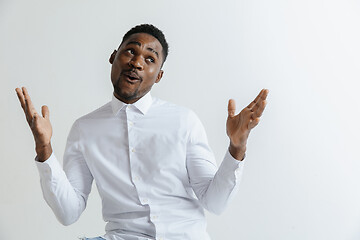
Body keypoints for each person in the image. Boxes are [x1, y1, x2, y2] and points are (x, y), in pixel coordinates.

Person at [16, 24, 268, 240]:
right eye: (130, 51)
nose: (136, 62)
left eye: (150, 59)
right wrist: (44, 150)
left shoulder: (184, 121)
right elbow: (68, 213)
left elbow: (215, 202)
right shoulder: (84, 129)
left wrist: (237, 148)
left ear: (158, 76)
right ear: (113, 57)